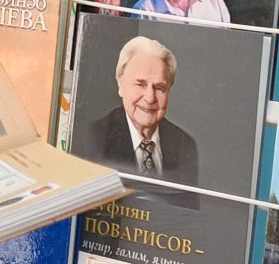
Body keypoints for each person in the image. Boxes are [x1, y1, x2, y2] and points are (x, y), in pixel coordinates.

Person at [79, 36, 199, 208]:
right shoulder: (94, 137)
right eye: (140, 84)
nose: (150, 98)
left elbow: (189, 216)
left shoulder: (185, 145)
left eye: (159, 88)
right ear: (120, 84)